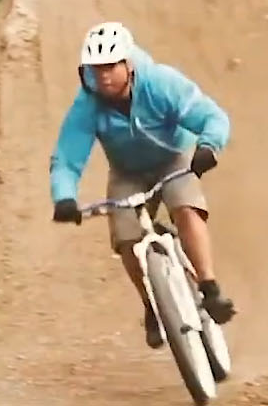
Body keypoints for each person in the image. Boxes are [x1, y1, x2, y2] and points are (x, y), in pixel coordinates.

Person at [48, 20, 237, 349]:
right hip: (127, 173)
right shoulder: (87, 105)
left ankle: (209, 288)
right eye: (96, 69)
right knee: (126, 239)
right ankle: (152, 305)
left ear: (128, 63)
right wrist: (64, 197)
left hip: (174, 159)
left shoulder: (160, 83)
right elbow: (67, 157)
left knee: (186, 208)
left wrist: (208, 146)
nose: (103, 76)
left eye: (110, 66)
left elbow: (211, 116)